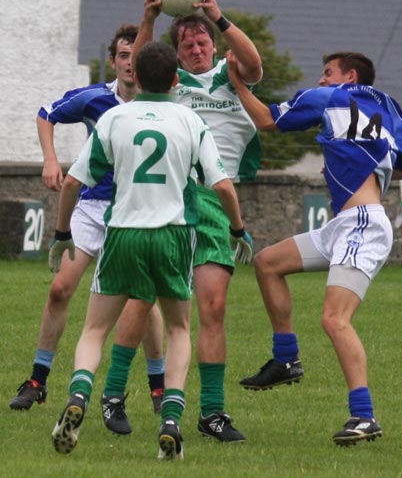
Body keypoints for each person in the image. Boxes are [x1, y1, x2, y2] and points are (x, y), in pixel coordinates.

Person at [50, 41, 252, 461]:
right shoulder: (190, 119)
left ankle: (80, 395)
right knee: (179, 329)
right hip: (174, 234)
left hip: (123, 232)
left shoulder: (114, 117)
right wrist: (238, 230)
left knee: (93, 330)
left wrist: (62, 233)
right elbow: (222, 185)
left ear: (136, 78)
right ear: (176, 80)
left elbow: (72, 182)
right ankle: (171, 420)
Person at [227, 50, 402, 446]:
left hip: (362, 225)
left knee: (334, 320)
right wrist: (357, 156)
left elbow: (267, 119)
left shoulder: (329, 97)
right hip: (345, 225)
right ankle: (286, 358)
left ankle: (364, 416)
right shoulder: (388, 105)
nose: (321, 81)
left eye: (327, 73)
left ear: (348, 76)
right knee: (268, 263)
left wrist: (237, 84)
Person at [100, 0, 263, 442]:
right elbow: (136, 74)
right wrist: (148, 18)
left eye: (201, 41)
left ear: (212, 45)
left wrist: (217, 14)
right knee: (144, 294)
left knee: (211, 306)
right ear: (176, 57)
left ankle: (211, 412)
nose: (195, 49)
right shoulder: (167, 85)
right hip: (169, 197)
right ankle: (113, 394)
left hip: (214, 199)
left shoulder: (230, 75)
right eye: (186, 43)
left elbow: (254, 63)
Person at [9, 24, 166, 420]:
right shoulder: (95, 98)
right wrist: (49, 159)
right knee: (60, 288)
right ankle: (37, 380)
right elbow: (46, 113)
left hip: (134, 213)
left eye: (137, 55)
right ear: (113, 61)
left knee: (142, 302)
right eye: (124, 56)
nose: (131, 63)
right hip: (91, 209)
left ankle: (158, 385)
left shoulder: (161, 104)